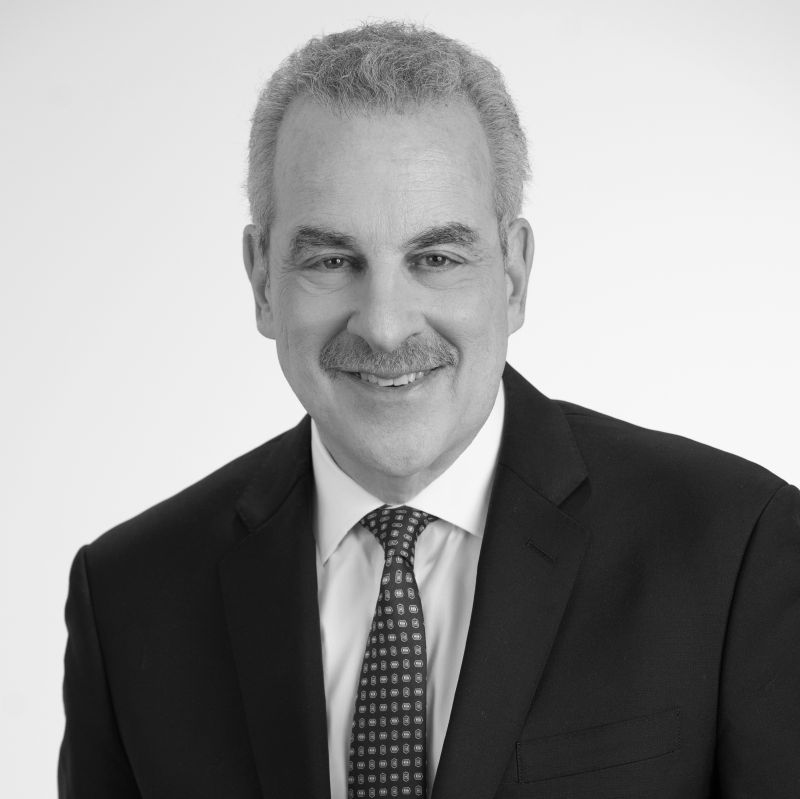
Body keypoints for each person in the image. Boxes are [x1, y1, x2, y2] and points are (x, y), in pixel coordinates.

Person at [58, 21, 799, 799]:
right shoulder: (129, 598)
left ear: (513, 275)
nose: (385, 325)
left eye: (436, 257)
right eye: (331, 260)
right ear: (263, 281)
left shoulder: (734, 551)